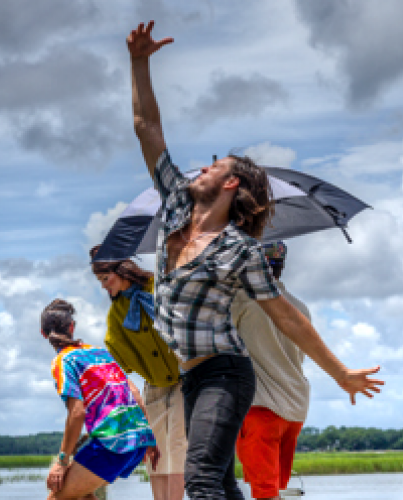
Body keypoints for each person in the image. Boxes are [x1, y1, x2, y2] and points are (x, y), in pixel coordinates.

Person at [126, 20, 384, 500]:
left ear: (230, 184)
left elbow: (286, 316)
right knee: (222, 485)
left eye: (215, 166)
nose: (202, 168)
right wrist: (139, 63)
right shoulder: (177, 205)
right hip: (191, 375)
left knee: (201, 479)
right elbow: (147, 129)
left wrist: (341, 373)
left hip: (225, 373)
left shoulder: (240, 251)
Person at [90, 245, 187, 500]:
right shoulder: (117, 314)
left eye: (105, 278)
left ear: (121, 270)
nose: (104, 286)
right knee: (154, 451)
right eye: (100, 281)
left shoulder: (160, 287)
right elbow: (116, 360)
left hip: (184, 381)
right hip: (154, 386)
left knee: (177, 447)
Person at [41, 298, 159, 500]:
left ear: (43, 334)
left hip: (112, 444)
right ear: (71, 327)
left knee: (57, 497)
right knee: (84, 494)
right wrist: (149, 437)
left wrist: (61, 462)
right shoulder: (100, 353)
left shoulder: (64, 360)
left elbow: (77, 413)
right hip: (138, 440)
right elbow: (135, 393)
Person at [231, 241, 310, 500]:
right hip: (295, 408)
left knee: (265, 492)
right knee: (273, 489)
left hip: (261, 406)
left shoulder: (242, 301)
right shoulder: (300, 307)